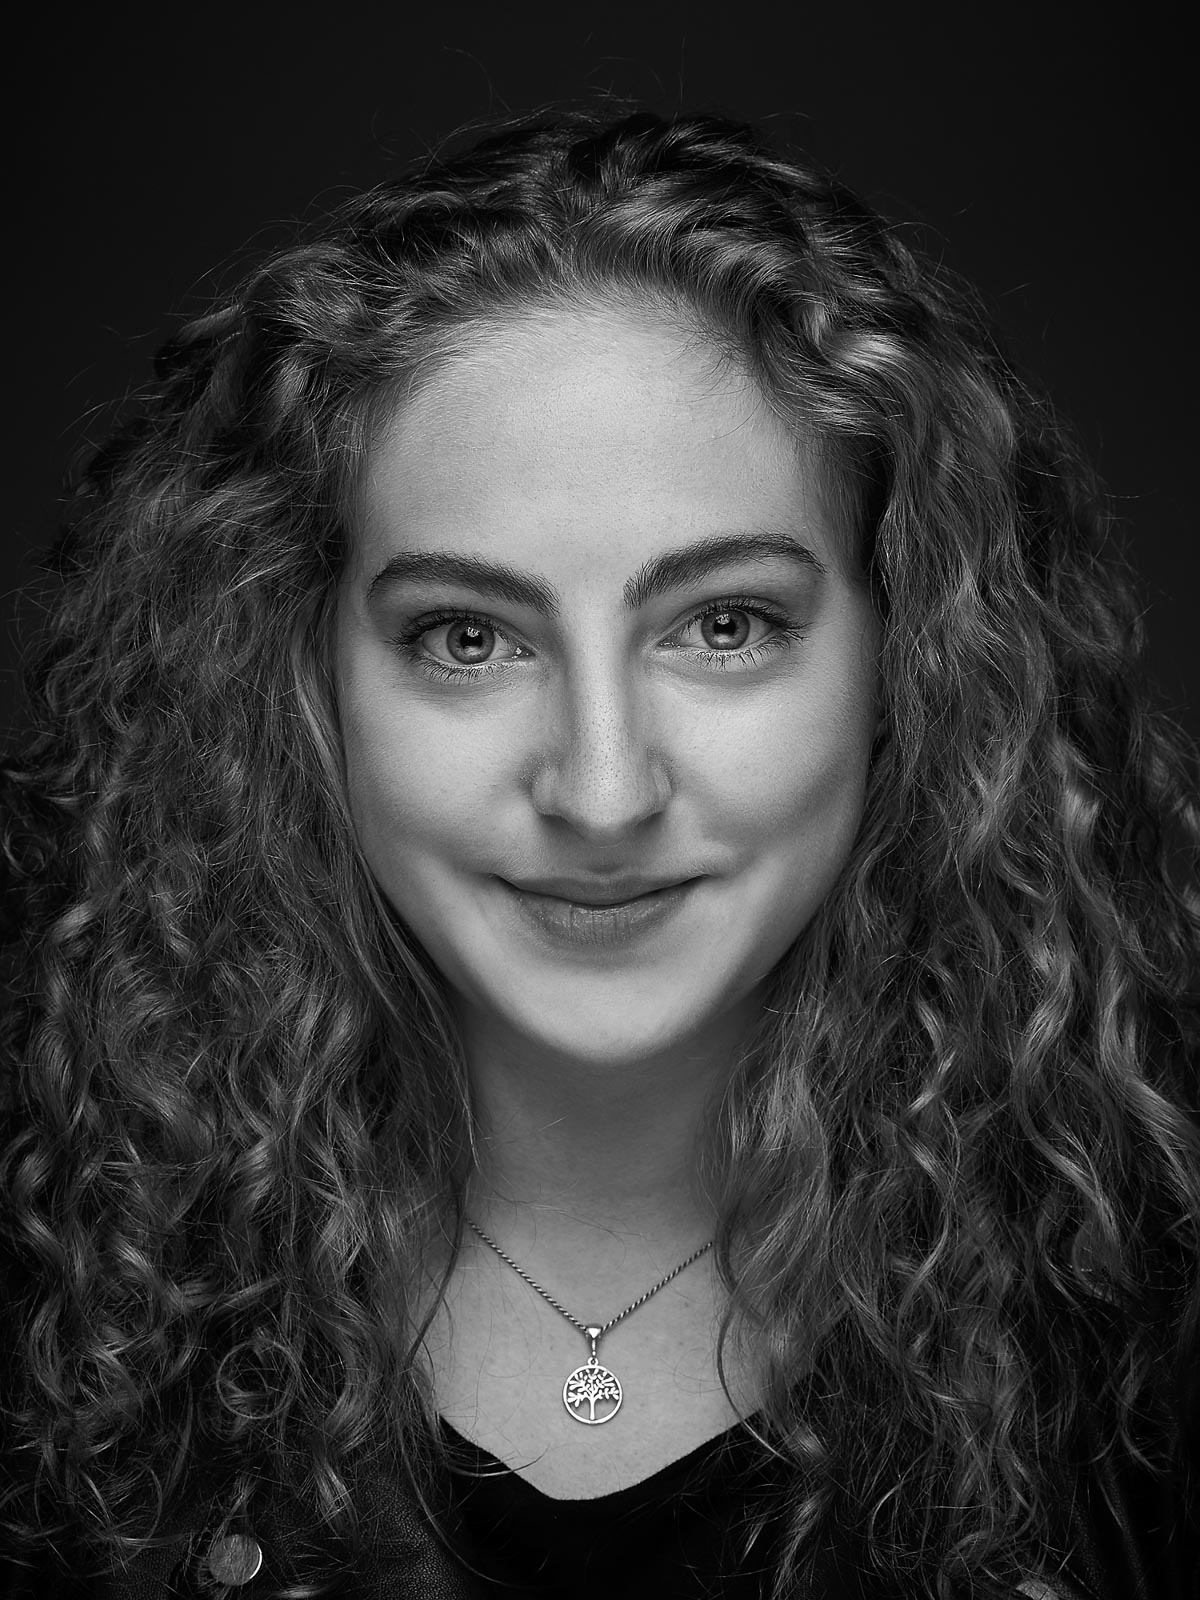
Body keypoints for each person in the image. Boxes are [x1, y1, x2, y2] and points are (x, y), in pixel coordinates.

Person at [0, 105, 1197, 1600]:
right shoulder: (51, 1306)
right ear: (299, 681)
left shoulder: (1150, 1328)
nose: (604, 790)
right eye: (468, 638)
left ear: (909, 664)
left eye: (724, 625)